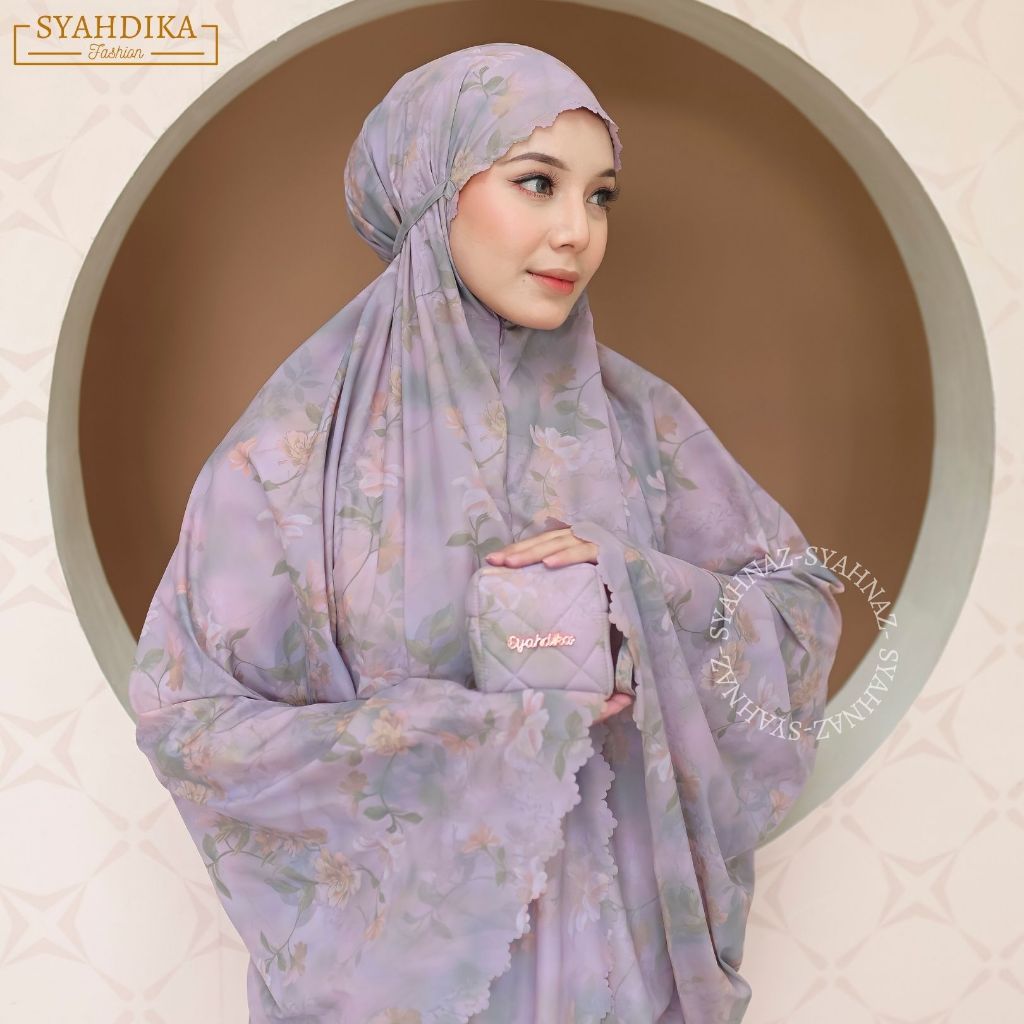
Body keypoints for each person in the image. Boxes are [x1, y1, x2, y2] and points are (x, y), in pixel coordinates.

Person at [128, 42, 844, 1023]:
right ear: (434, 191)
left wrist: (640, 583)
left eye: (600, 196)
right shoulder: (292, 460)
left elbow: (798, 617)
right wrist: (469, 738)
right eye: (537, 183)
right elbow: (192, 722)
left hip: (619, 972)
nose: (576, 231)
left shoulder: (643, 427)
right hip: (416, 986)